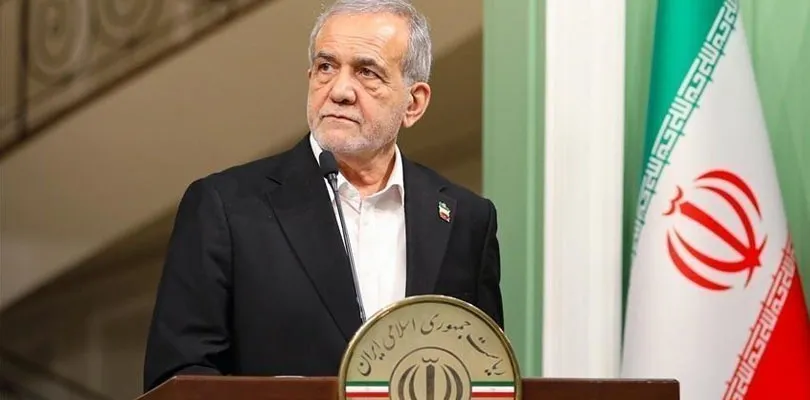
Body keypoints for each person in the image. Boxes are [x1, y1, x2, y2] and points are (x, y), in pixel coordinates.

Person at [142, 0, 503, 392]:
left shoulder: (466, 219)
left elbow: (487, 375)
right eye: (326, 67)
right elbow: (179, 378)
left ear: (413, 104)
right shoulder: (225, 207)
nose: (340, 91)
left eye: (367, 72)